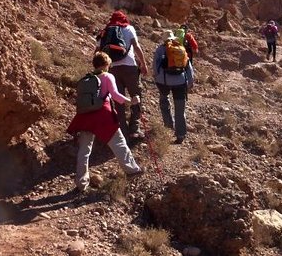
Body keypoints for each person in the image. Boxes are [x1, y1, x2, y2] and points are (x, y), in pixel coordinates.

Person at [67, 52, 143, 192]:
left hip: (85, 116)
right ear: (107, 64)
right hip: (102, 115)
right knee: (119, 142)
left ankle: (81, 183)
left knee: (84, 150)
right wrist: (131, 101)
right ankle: (132, 170)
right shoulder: (107, 76)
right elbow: (115, 95)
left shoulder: (87, 78)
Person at [95, 10, 149, 140]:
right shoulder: (129, 28)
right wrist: (143, 64)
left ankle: (122, 133)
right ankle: (134, 129)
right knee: (136, 96)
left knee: (118, 100)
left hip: (112, 69)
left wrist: (98, 70)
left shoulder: (105, 31)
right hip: (130, 68)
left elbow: (97, 51)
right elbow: (136, 46)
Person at [153, 30, 195, 144]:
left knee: (164, 101)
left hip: (164, 82)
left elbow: (155, 66)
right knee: (180, 108)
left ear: (164, 39)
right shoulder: (180, 48)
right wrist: (190, 81)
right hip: (180, 82)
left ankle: (168, 127)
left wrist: (157, 79)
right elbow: (188, 66)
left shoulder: (160, 49)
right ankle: (180, 134)